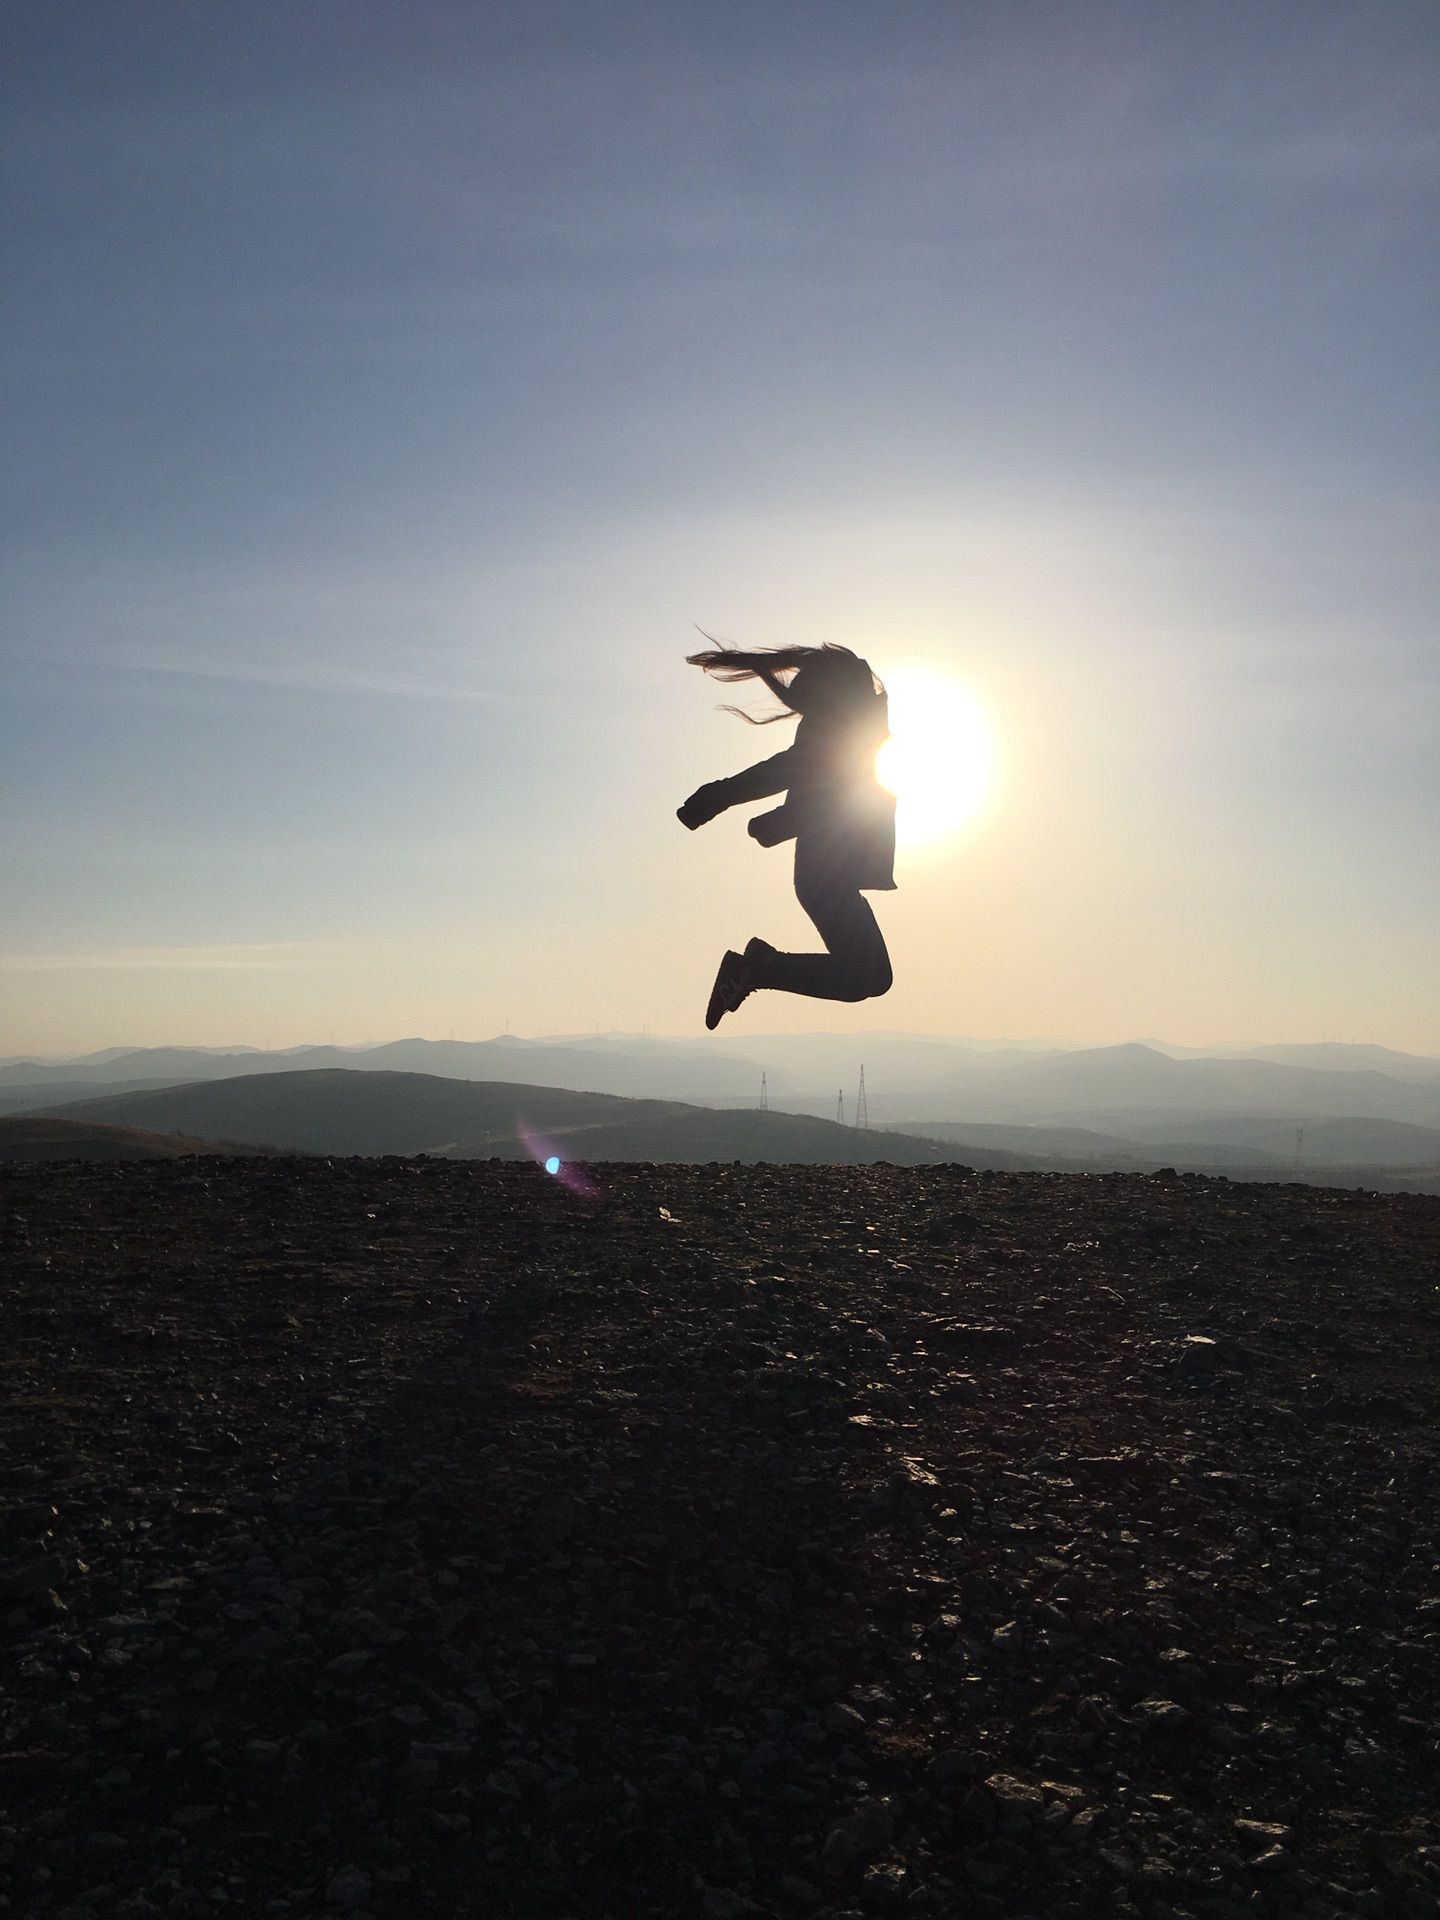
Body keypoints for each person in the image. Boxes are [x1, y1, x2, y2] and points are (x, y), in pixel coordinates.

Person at [678, 642, 896, 1029]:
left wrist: (773, 817)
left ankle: (760, 967)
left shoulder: (848, 724)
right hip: (827, 876)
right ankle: (759, 968)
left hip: (830, 874)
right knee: (871, 978)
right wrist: (736, 802)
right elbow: (814, 779)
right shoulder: (855, 721)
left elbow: (823, 782)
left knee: (872, 978)